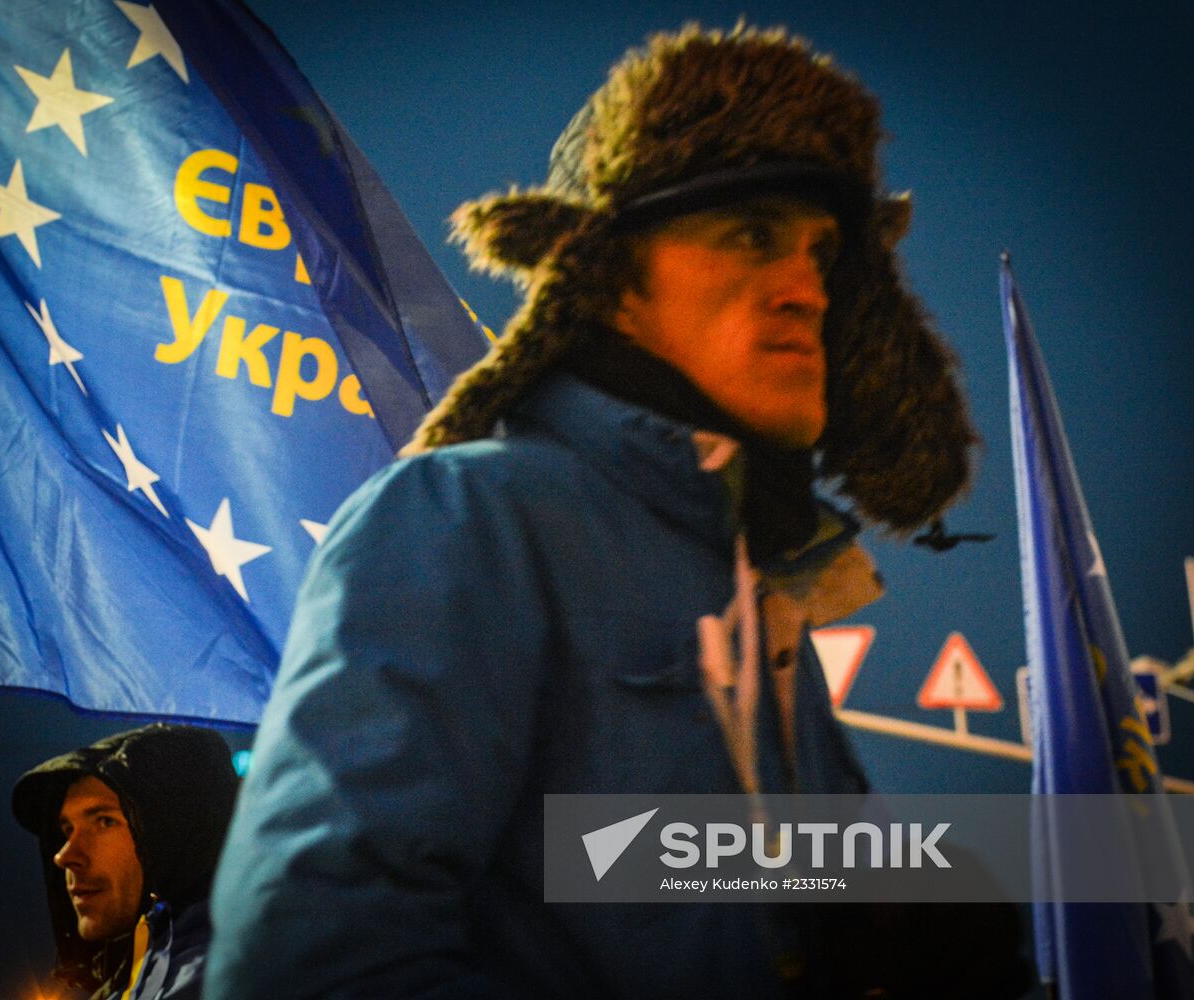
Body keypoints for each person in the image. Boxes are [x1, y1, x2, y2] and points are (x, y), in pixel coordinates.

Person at [206, 24, 1026, 998]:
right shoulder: (469, 517)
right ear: (604, 273)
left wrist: (895, 901)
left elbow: (640, 868)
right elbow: (307, 964)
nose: (807, 288)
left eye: (823, 251)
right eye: (750, 234)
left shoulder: (751, 582)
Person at [13, 723, 238, 1000]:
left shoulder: (228, 979)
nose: (63, 856)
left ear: (178, 831)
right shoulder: (144, 978)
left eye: (104, 821)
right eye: (67, 829)